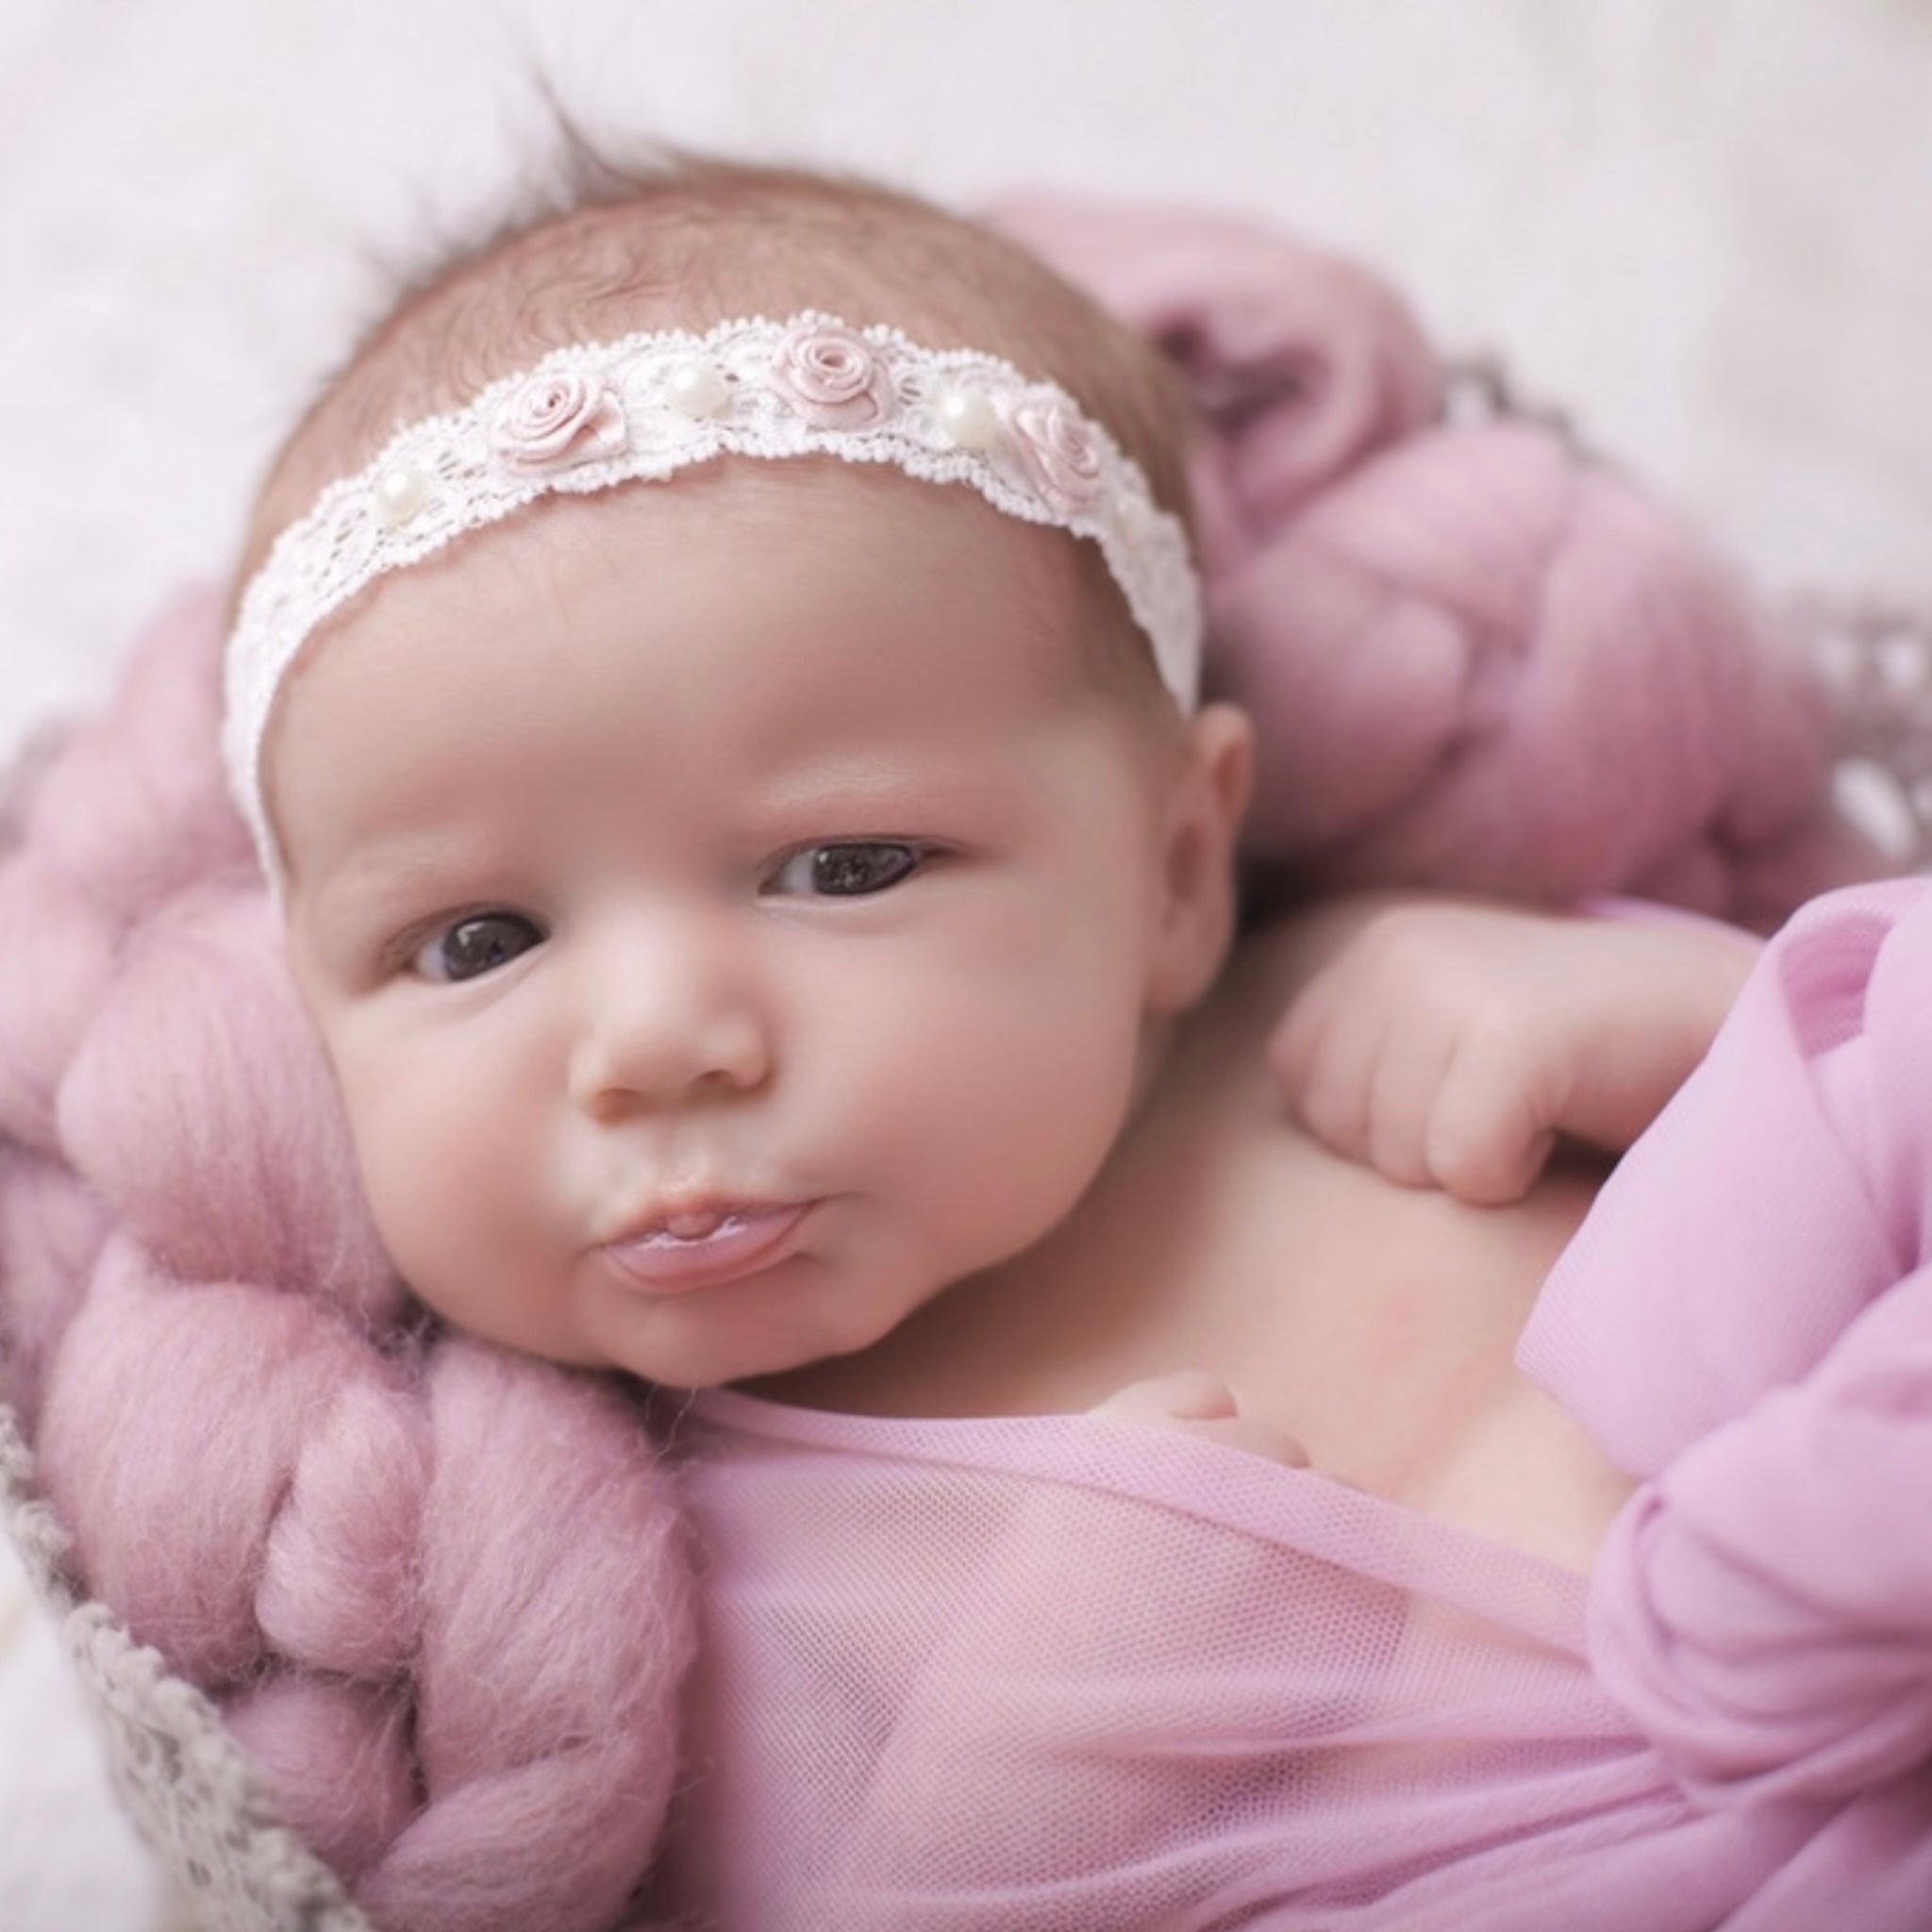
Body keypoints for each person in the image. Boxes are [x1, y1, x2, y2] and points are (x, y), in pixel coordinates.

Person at [212, 153, 1836, 1927]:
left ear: (1177, 866)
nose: (659, 1042)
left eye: (842, 865)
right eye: (477, 942)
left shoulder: (1401, 998)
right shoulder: (627, 1625)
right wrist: (1032, 1784)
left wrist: (1714, 1025)